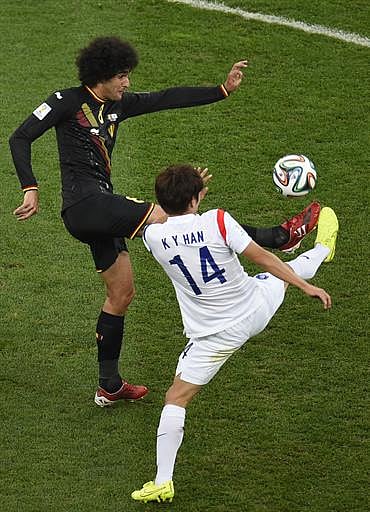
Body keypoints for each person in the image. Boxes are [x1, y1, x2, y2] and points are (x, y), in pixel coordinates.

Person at [9, 36, 320, 406]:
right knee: (173, 216)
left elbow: (167, 98)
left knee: (121, 295)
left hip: (98, 214)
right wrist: (30, 187)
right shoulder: (66, 102)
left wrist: (222, 90)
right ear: (100, 75)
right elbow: (20, 136)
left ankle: (109, 386)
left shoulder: (116, 106)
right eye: (121, 76)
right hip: (86, 206)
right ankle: (279, 236)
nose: (127, 83)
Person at [131, 164, 339, 503]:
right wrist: (305, 288)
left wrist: (186, 195)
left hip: (211, 335)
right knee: (279, 276)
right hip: (253, 309)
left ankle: (162, 482)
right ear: (197, 198)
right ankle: (322, 251)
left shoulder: (152, 237)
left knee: (176, 398)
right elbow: (265, 258)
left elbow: (165, 219)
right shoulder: (218, 220)